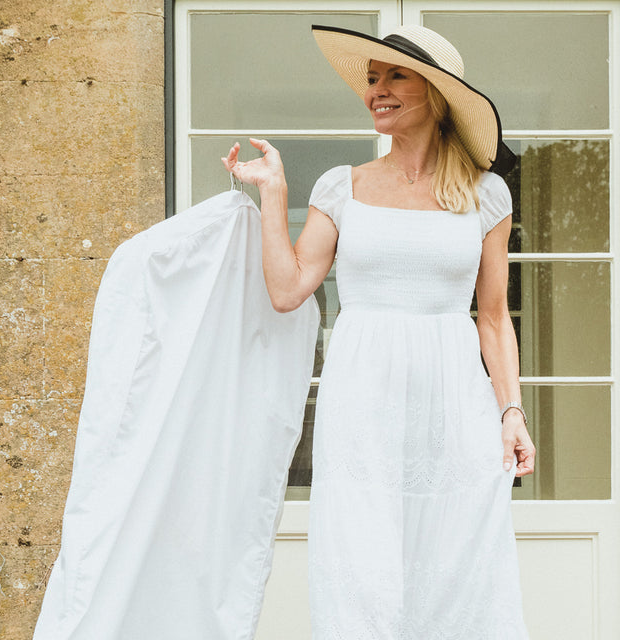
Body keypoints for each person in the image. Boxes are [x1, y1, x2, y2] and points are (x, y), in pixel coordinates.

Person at [223, 23, 535, 640]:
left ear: (437, 93)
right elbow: (289, 289)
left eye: (395, 75)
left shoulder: (485, 195)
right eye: (371, 79)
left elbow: (493, 317)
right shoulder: (344, 186)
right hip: (363, 394)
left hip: (454, 400)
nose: (377, 90)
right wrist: (273, 192)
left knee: (460, 560)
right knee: (362, 561)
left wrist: (512, 411)